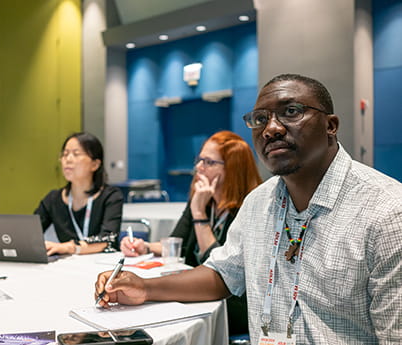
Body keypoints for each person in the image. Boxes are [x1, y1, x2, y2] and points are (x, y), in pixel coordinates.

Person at [94, 74, 402, 344]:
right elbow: (222, 275)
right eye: (259, 119)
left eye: (291, 112)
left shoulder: (386, 212)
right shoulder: (259, 202)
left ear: (330, 125)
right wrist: (144, 287)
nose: (271, 129)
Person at [120, 130, 262, 335]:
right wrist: (146, 246)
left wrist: (198, 213)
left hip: (230, 302)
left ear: (233, 169)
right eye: (199, 160)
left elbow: (221, 269)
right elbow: (176, 242)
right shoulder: (203, 200)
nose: (198, 167)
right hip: (198, 292)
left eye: (209, 162)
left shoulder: (248, 208)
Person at [34, 132, 123, 256]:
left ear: (95, 164)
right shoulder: (53, 198)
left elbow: (108, 239)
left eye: (76, 154)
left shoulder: (110, 196)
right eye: (65, 154)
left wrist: (71, 248)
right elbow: (31, 233)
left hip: (103, 265)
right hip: (68, 265)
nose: (68, 159)